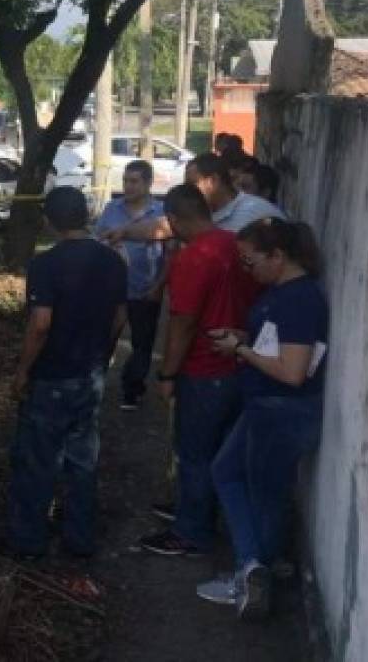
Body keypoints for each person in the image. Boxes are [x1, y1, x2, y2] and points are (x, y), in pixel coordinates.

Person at [195, 219, 327, 620]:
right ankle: (252, 565)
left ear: (278, 256)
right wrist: (244, 338)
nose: (246, 269)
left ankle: (254, 576)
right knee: (226, 472)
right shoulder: (282, 294)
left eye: (251, 262)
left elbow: (292, 371)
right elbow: (278, 344)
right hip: (265, 406)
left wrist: (241, 350)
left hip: (281, 410)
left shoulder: (299, 299)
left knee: (266, 496)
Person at [0, 187, 128, 559]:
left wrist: (23, 370)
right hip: (90, 373)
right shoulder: (112, 261)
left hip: (52, 375)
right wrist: (102, 352)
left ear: (49, 221)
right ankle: (79, 538)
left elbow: (40, 324)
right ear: (86, 215)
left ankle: (28, 540)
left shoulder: (46, 264)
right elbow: (121, 315)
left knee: (38, 459)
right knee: (82, 458)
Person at [139, 184, 257, 557]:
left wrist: (167, 374)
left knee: (194, 452)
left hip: (205, 369)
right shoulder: (234, 244)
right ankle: (199, 510)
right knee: (219, 451)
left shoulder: (193, 258)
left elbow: (183, 324)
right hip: (240, 361)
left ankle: (192, 532)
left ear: (173, 220)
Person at [94, 160, 165, 409]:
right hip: (111, 290)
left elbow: (170, 254)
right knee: (106, 336)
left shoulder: (160, 213)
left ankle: (132, 388)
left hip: (145, 288)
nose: (128, 186)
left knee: (142, 342)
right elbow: (98, 241)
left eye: (134, 181)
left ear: (148, 183)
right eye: (125, 180)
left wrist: (159, 285)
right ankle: (96, 383)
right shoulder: (112, 209)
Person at [106, 152, 283, 244]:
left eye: (192, 183)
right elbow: (161, 227)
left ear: (213, 181)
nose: (187, 189)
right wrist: (124, 232)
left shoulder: (257, 212)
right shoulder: (199, 212)